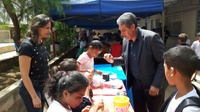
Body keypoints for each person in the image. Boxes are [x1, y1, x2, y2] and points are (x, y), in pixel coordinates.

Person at [104, 12, 167, 112]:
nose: (121, 34)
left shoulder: (151, 38)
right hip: (136, 85)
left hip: (152, 85)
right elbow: (125, 59)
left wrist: (156, 84)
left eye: (124, 30)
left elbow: (163, 62)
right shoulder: (125, 41)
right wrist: (113, 60)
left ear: (132, 27)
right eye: (120, 31)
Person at [18, 14, 53, 112]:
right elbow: (24, 75)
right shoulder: (27, 46)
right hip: (31, 87)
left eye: (50, 28)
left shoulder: (41, 44)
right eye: (47, 28)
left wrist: (50, 85)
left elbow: (45, 67)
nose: (49, 31)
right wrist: (34, 97)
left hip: (43, 85)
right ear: (37, 27)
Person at [160, 46, 200, 112]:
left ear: (172, 71)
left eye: (165, 67)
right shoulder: (180, 91)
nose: (164, 70)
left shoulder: (190, 109)